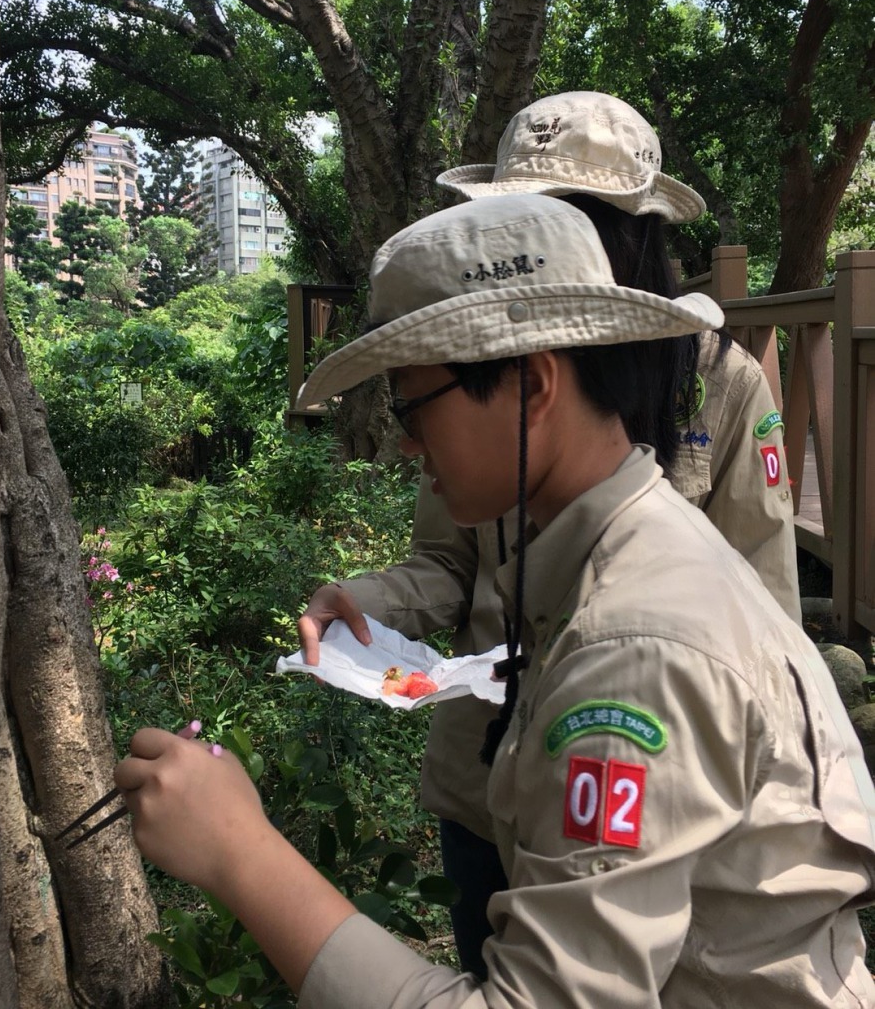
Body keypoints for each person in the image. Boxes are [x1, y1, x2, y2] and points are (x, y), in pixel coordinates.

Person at [118, 194, 875, 1009]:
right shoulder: (617, 555)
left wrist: (240, 853)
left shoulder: (633, 651)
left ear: (531, 384)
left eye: (412, 406)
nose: (407, 443)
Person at [299, 91, 802, 975]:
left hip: (648, 796)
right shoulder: (484, 401)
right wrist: (368, 603)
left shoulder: (720, 389)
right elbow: (448, 563)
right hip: (489, 770)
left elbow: (760, 611)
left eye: (563, 218)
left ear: (632, 237)